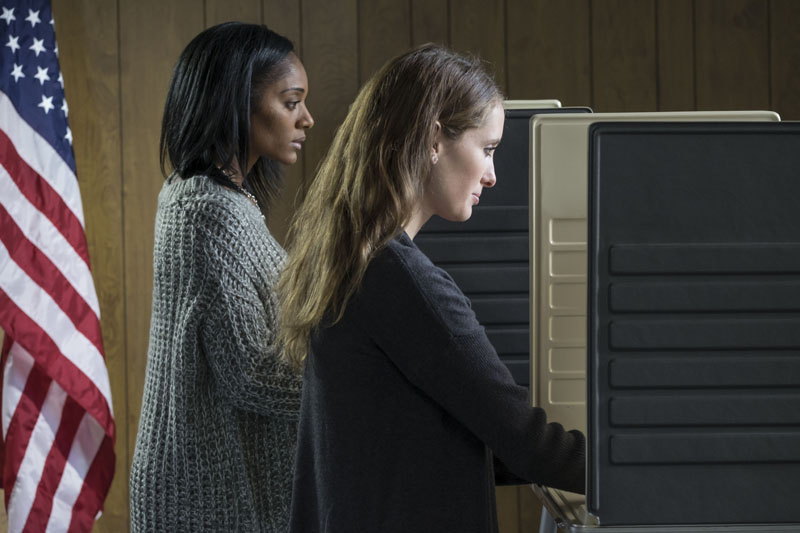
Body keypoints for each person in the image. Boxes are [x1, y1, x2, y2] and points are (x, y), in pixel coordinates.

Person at [278, 44, 585, 533]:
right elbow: (526, 441)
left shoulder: (358, 262)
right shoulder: (401, 282)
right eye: (487, 149)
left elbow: (424, 439)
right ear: (434, 139)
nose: (492, 175)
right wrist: (641, 465)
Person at [129, 22, 314, 532]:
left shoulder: (224, 200)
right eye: (291, 102)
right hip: (203, 499)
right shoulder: (204, 210)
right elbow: (251, 372)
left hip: (226, 487)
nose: (307, 119)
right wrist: (357, 378)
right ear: (237, 102)